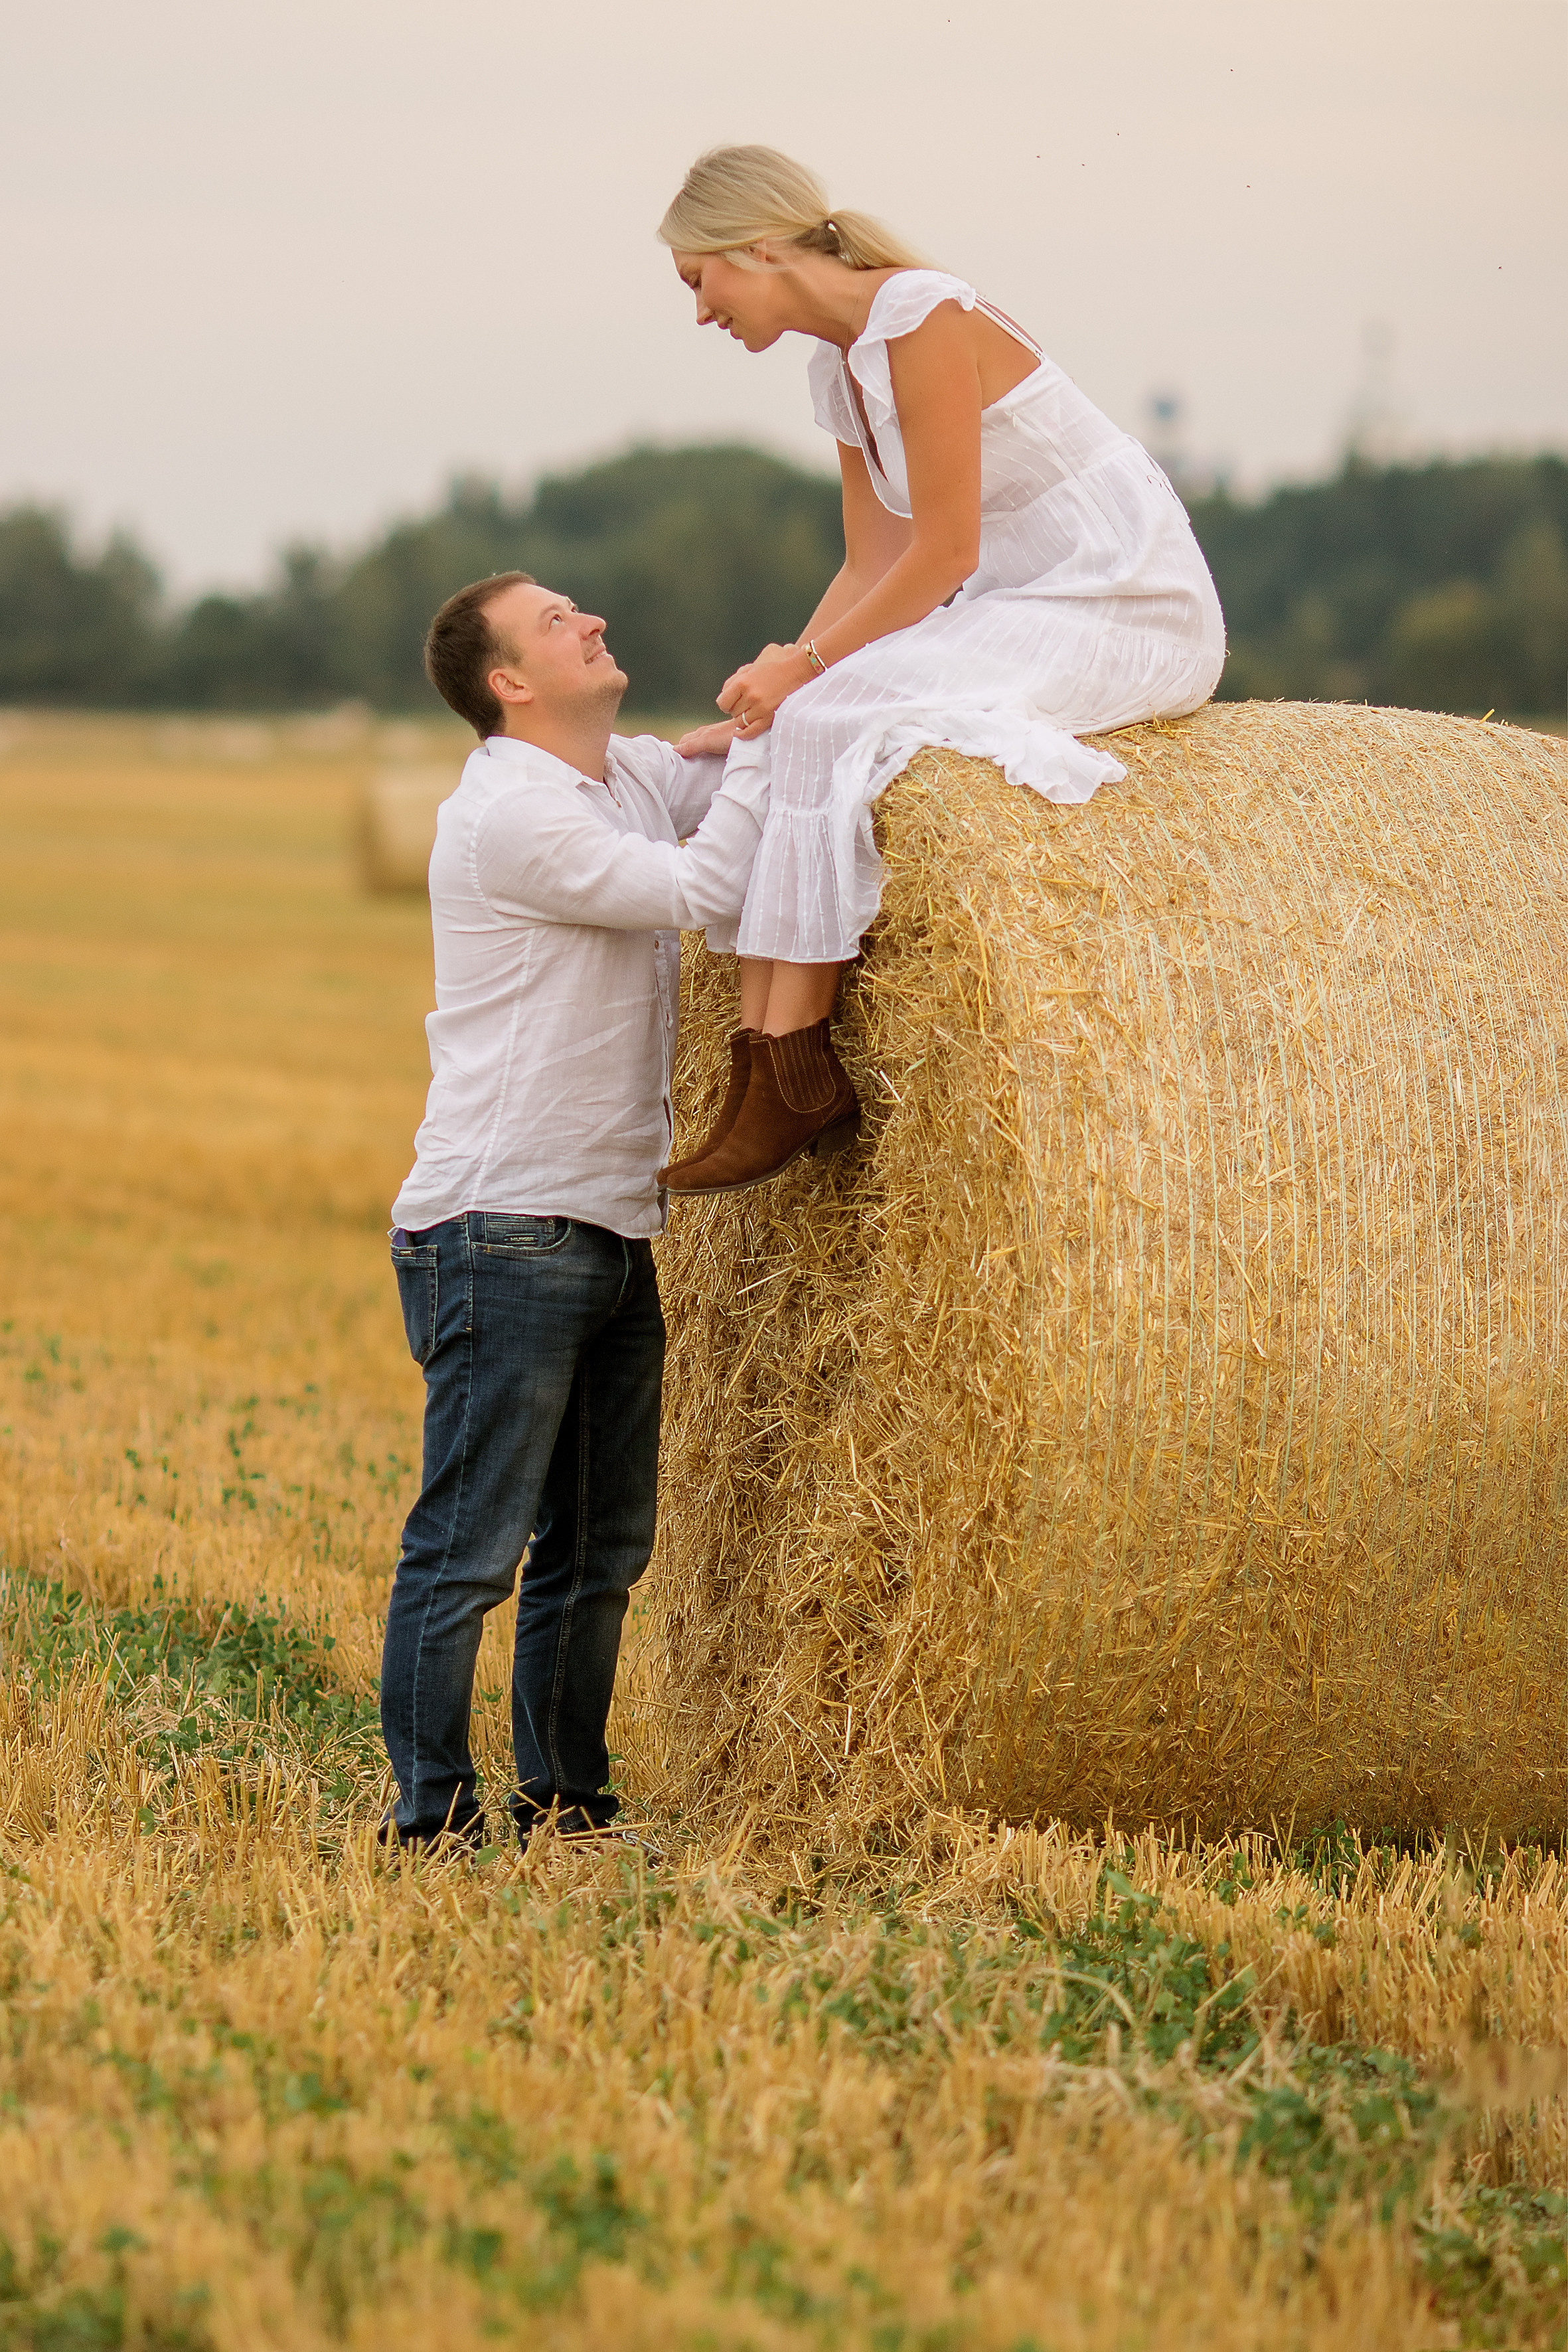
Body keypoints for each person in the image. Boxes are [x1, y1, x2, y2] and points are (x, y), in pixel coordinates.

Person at [655, 145, 1226, 1196]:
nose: (699, 311)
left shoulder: (917, 316)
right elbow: (870, 563)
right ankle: (757, 1064)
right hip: (1023, 606)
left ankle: (795, 1061)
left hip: (1121, 602)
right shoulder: (836, 368)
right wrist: (773, 688)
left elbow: (944, 554)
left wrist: (807, 678)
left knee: (826, 719)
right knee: (799, 722)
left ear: (759, 245)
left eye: (700, 280)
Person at [380, 571, 767, 1851]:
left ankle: (564, 1803)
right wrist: (766, 742)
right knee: (471, 1547)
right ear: (508, 684)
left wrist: (788, 711)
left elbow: (718, 766)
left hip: (607, 1224)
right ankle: (429, 1818)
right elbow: (707, 886)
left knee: (598, 1549)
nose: (594, 617)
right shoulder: (512, 815)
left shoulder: (618, 779)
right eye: (556, 622)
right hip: (500, 1227)